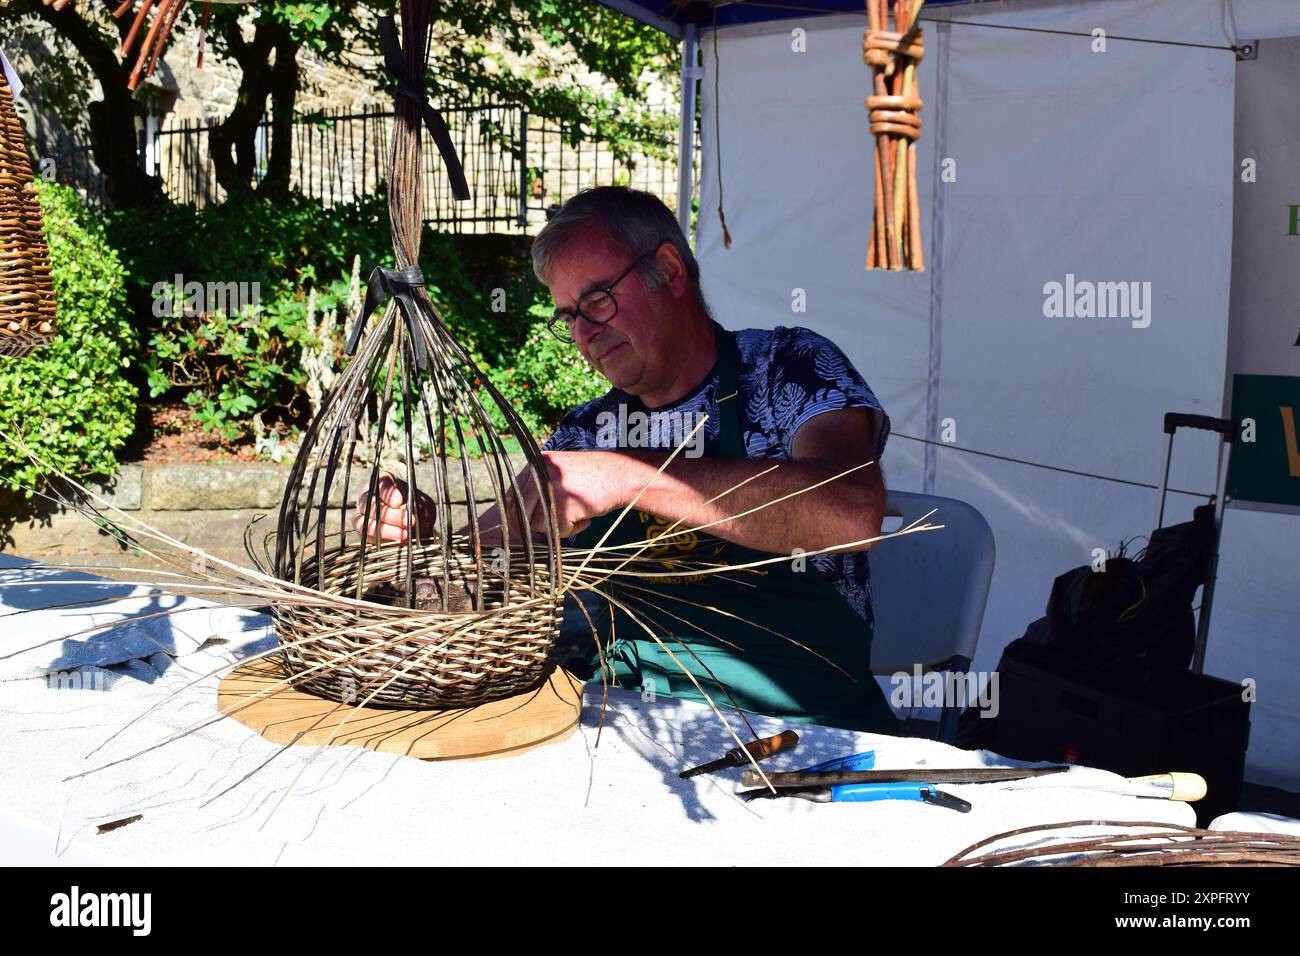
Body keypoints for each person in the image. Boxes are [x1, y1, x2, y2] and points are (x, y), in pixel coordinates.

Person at [357, 186, 898, 734]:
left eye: (596, 301)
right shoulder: (585, 432)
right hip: (636, 724)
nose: (584, 334)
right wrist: (421, 545)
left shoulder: (789, 368)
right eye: (568, 317)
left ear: (668, 270)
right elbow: (488, 562)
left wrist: (626, 476)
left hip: (811, 732)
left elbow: (851, 512)